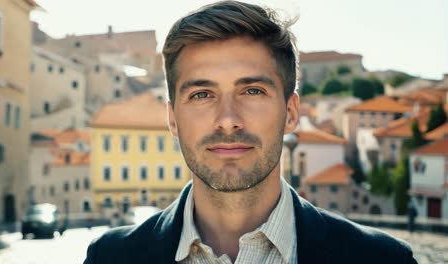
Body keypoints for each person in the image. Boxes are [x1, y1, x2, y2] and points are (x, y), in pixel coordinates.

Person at [84, 1, 417, 263]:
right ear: (173, 119)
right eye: (202, 95)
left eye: (252, 91)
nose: (228, 120)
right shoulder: (110, 258)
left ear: (290, 113)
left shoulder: (382, 259)